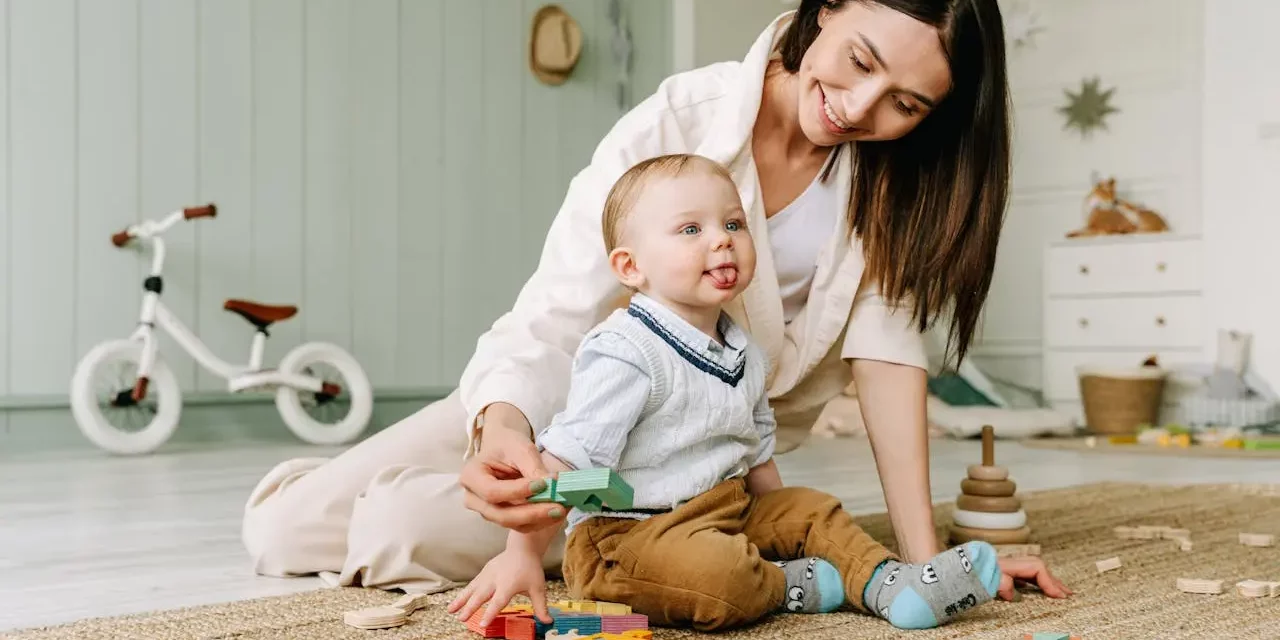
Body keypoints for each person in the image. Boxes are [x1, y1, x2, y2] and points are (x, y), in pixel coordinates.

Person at [242, 0, 1071, 602]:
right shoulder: (679, 119)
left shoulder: (895, 188)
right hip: (569, 399)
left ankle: (646, 539)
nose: (859, 108)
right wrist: (500, 430)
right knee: (280, 530)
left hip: (689, 459)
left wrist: (925, 564)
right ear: (829, 8)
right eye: (859, 61)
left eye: (905, 104)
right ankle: (483, 494)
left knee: (395, 529)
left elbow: (888, 363)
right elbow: (554, 315)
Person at [445, 152, 1006, 632]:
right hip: (628, 540)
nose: (722, 241)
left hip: (724, 509)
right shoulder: (626, 351)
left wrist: (786, 526)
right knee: (721, 575)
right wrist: (521, 552)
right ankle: (785, 585)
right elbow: (567, 466)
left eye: (734, 225)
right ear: (630, 266)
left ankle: (893, 586)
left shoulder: (741, 346)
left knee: (814, 510)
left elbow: (755, 450)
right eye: (692, 230)